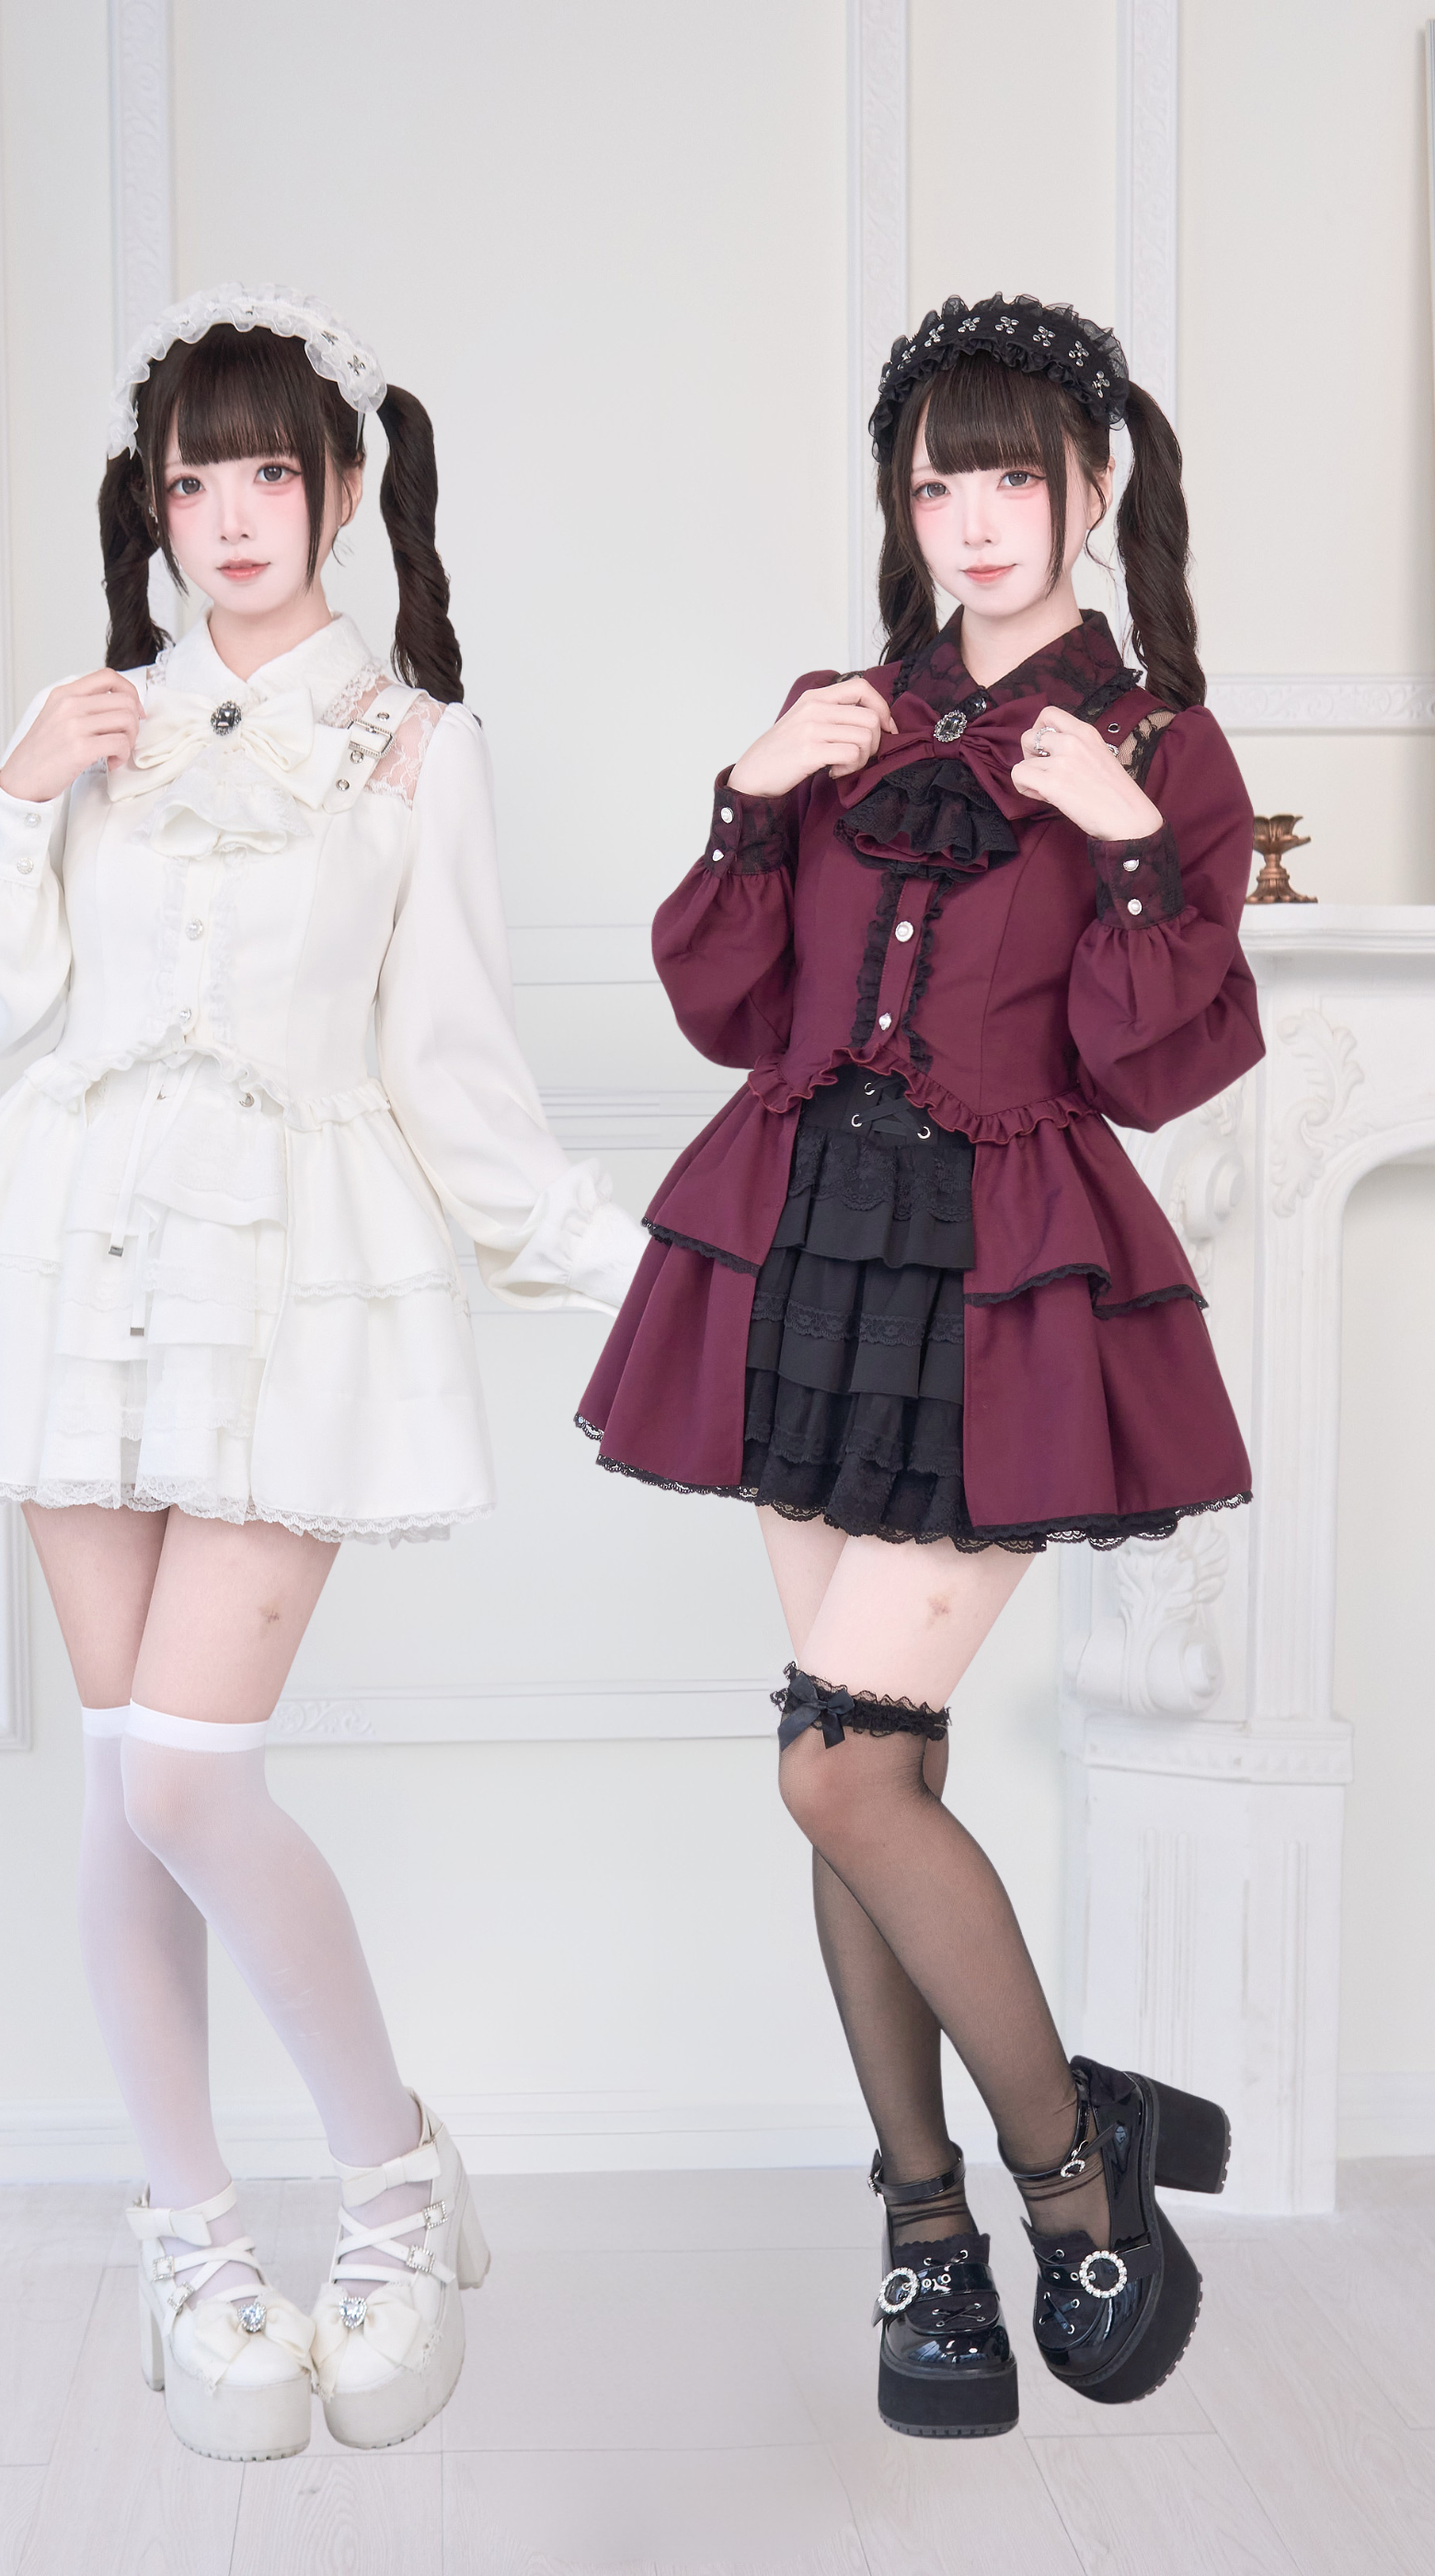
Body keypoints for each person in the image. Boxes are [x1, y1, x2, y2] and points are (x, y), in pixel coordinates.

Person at [0, 282, 644, 2461]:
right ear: (157, 500)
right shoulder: (96, 719)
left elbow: (454, 1064)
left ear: (342, 490)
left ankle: (390, 2177)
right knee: (127, 1772)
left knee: (193, 1772)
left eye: (269, 471)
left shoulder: (415, 749)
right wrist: (19, 791)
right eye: (193, 478)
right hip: (70, 1251)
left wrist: (632, 1270)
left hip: (297, 1278)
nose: (229, 515)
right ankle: (191, 2233)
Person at [579, 293, 1250, 2437]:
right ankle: (926, 2229)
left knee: (835, 1768)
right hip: (797, 1254)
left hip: (999, 1281)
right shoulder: (839, 715)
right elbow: (723, 1000)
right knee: (862, 1761)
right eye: (938, 477)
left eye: (1013, 475)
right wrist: (749, 798)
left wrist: (1122, 833)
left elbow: (1155, 1061)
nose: (973, 516)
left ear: (1092, 488)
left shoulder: (1160, 744)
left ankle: (1076, 2178)